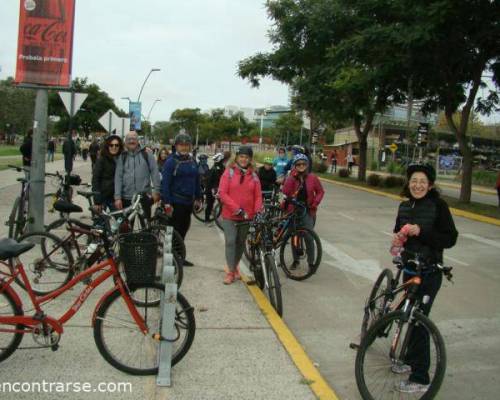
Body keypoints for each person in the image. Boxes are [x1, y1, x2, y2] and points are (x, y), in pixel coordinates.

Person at [391, 163, 458, 394]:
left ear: (430, 185)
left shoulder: (438, 206)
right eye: (413, 181)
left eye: (422, 182)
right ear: (408, 184)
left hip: (429, 272)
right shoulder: (403, 206)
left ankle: (420, 377)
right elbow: (398, 230)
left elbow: (450, 238)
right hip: (410, 270)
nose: (417, 185)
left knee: (419, 322)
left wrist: (422, 232)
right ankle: (410, 360)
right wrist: (398, 238)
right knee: (406, 316)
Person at [219, 145, 262, 284]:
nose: (244, 159)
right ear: (236, 157)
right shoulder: (229, 172)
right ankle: (231, 272)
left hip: (246, 216)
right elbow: (223, 194)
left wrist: (257, 211)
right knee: (231, 242)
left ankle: (235, 266)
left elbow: (258, 196)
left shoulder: (254, 176)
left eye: (247, 157)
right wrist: (237, 209)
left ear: (250, 159)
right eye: (241, 156)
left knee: (240, 243)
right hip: (230, 215)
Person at [161, 132, 202, 267]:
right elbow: (165, 184)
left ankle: (179, 257)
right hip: (175, 203)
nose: (184, 148)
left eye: (186, 145)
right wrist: (167, 203)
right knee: (173, 233)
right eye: (181, 145)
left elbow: (196, 180)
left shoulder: (191, 161)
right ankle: (170, 262)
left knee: (183, 231)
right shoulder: (170, 162)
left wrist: (198, 197)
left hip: (188, 203)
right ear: (176, 146)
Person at [282, 154, 325, 271]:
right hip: (293, 210)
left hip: (307, 210)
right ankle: (296, 260)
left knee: (309, 237)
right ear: (295, 166)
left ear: (307, 165)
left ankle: (311, 262)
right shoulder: (292, 177)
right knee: (293, 235)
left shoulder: (312, 178)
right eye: (298, 164)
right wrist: (291, 178)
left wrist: (315, 203)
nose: (301, 166)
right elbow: (285, 191)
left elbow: (320, 192)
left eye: (303, 164)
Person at [114, 131, 161, 220]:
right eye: (129, 139)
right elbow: (118, 177)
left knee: (146, 228)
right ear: (125, 141)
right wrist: (117, 198)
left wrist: (157, 191)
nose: (131, 141)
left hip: (143, 197)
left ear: (138, 140)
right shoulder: (122, 156)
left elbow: (155, 172)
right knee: (126, 231)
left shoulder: (147, 153)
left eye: (134, 138)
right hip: (126, 198)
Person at [92, 134, 123, 211]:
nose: (114, 147)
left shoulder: (121, 159)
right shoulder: (102, 160)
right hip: (103, 196)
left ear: (120, 147)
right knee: (100, 222)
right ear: (107, 146)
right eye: (111, 145)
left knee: (121, 220)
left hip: (116, 197)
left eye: (116, 145)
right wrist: (97, 201)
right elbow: (95, 179)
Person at [205, 151, 230, 223]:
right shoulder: (216, 168)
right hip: (212, 189)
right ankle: (207, 219)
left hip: (216, 188)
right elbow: (211, 181)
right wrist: (213, 189)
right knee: (210, 204)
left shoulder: (220, 167)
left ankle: (224, 218)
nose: (225, 161)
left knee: (220, 203)